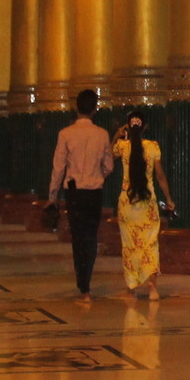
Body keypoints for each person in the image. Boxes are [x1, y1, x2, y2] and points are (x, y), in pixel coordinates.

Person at [48, 89, 115, 300]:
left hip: (74, 193)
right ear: (95, 109)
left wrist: (52, 197)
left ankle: (82, 282)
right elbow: (109, 166)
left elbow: (58, 168)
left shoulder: (65, 134)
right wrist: (99, 175)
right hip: (94, 192)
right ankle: (87, 281)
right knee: (91, 236)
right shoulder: (102, 134)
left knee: (78, 237)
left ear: (76, 107)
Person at [112, 109, 172, 300]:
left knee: (130, 245)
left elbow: (107, 155)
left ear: (128, 127)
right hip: (148, 205)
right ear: (146, 127)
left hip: (127, 204)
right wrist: (169, 199)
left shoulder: (123, 146)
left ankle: (132, 289)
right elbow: (160, 177)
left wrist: (117, 135)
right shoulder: (153, 147)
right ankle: (152, 287)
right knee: (150, 244)